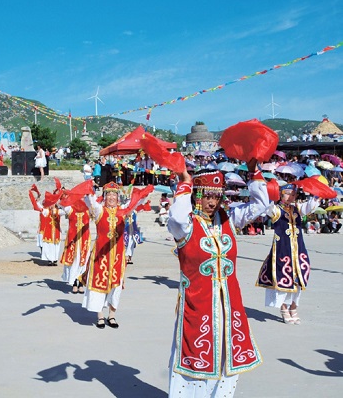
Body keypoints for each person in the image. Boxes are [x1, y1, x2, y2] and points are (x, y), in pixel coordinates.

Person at [166, 163, 266, 397]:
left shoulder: (228, 220)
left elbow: (261, 204)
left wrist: (254, 171)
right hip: (197, 306)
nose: (212, 202)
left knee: (227, 359)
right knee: (194, 360)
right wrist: (185, 181)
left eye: (217, 196)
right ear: (196, 196)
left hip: (229, 307)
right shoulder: (186, 225)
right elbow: (178, 218)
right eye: (206, 196)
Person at [82, 182, 151, 329]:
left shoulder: (124, 211)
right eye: (109, 194)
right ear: (105, 197)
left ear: (118, 197)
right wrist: (88, 190)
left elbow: (136, 202)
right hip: (101, 254)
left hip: (118, 256)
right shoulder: (99, 210)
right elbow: (90, 202)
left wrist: (143, 193)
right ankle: (100, 316)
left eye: (114, 194)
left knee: (116, 286)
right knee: (98, 285)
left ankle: (111, 316)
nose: (112, 197)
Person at [256, 184, 321, 325]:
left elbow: (309, 207)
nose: (291, 197)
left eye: (293, 194)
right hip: (282, 251)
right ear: (281, 194)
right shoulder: (276, 210)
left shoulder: (297, 208)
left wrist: (316, 194)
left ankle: (294, 307)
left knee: (299, 278)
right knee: (282, 279)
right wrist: (270, 195)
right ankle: (284, 308)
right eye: (287, 194)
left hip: (298, 251)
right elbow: (267, 208)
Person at [59, 199, 91, 294]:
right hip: (73, 241)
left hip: (84, 241)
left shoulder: (88, 209)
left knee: (83, 262)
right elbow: (62, 204)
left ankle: (81, 283)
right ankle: (74, 283)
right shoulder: (70, 209)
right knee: (74, 262)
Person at [29, 186, 62, 266]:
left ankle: (55, 260)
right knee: (49, 246)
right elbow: (39, 207)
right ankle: (50, 260)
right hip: (48, 232)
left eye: (53, 204)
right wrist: (36, 199)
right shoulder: (46, 211)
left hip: (56, 232)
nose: (52, 205)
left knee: (56, 246)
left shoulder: (59, 211)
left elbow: (66, 210)